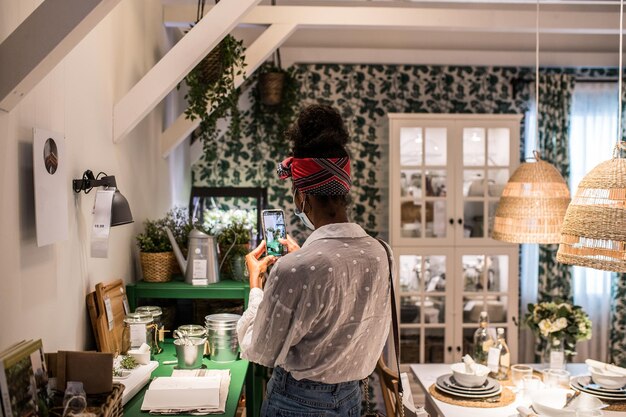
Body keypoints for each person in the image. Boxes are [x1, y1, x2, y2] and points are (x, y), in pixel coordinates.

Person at [237, 104, 392, 417]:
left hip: (295, 403)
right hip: (352, 399)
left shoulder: (293, 269)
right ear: (344, 190)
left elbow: (259, 350)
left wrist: (256, 284)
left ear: (301, 196)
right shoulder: (383, 252)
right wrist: (302, 262)